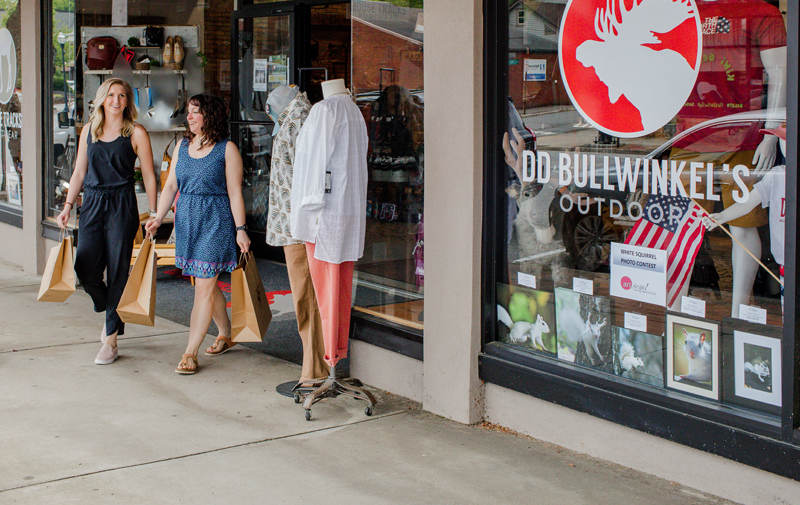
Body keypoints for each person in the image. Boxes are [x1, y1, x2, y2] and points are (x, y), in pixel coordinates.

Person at [145, 93, 250, 374]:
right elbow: (170, 187)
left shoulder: (227, 150)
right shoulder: (183, 145)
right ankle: (226, 332)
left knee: (203, 286)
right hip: (188, 222)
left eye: (195, 112)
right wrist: (158, 216)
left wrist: (241, 230)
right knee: (204, 281)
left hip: (216, 221)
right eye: (189, 112)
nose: (189, 117)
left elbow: (235, 192)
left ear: (209, 116)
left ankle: (190, 351)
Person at [56, 78, 158, 366]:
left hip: (122, 204)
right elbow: (78, 173)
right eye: (111, 95)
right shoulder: (89, 131)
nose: (116, 100)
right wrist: (67, 206)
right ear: (102, 99)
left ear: (128, 101)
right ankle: (110, 309)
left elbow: (149, 175)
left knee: (117, 271)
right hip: (91, 203)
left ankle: (111, 339)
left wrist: (153, 213)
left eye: (122, 95)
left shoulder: (136, 133)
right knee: (84, 267)